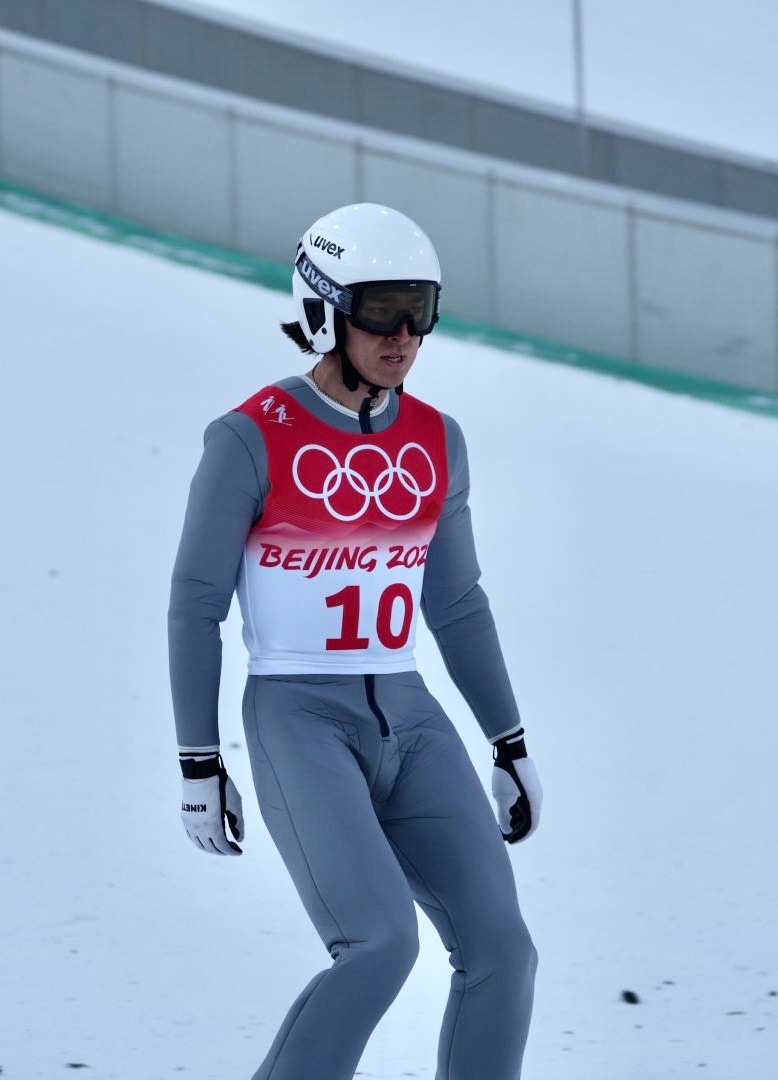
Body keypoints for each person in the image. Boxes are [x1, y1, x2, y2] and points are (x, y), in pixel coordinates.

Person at [167, 202, 542, 1080]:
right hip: (301, 717)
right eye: (380, 310)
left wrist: (509, 739)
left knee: (503, 952)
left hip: (410, 716)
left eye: (421, 308)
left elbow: (457, 603)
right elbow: (194, 605)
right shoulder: (250, 438)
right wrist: (196, 760)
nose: (404, 335)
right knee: (378, 945)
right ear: (322, 309)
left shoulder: (435, 439)